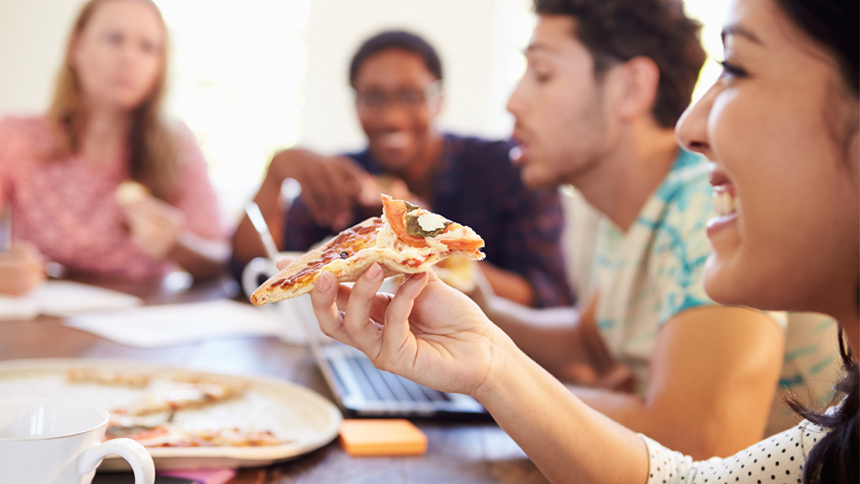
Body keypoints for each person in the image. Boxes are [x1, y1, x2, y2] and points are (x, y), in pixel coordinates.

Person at [305, 0, 859, 480]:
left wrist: (485, 391)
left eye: (542, 74)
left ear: (631, 88)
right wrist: (482, 319)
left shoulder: (700, 202)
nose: (512, 103)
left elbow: (699, 440)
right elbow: (593, 344)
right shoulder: (629, 215)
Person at [232, 30, 573, 308]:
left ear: (439, 100)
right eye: (374, 97)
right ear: (356, 103)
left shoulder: (510, 167)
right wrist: (274, 176)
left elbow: (548, 296)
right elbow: (255, 272)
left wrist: (430, 237)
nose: (392, 117)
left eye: (410, 96)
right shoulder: (344, 178)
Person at [0, 0, 227, 295]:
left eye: (147, 47)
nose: (129, 58)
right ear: (76, 47)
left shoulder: (177, 144)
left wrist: (177, 246)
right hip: (43, 324)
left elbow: (222, 258)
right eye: (113, 39)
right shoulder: (17, 137)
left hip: (143, 324)